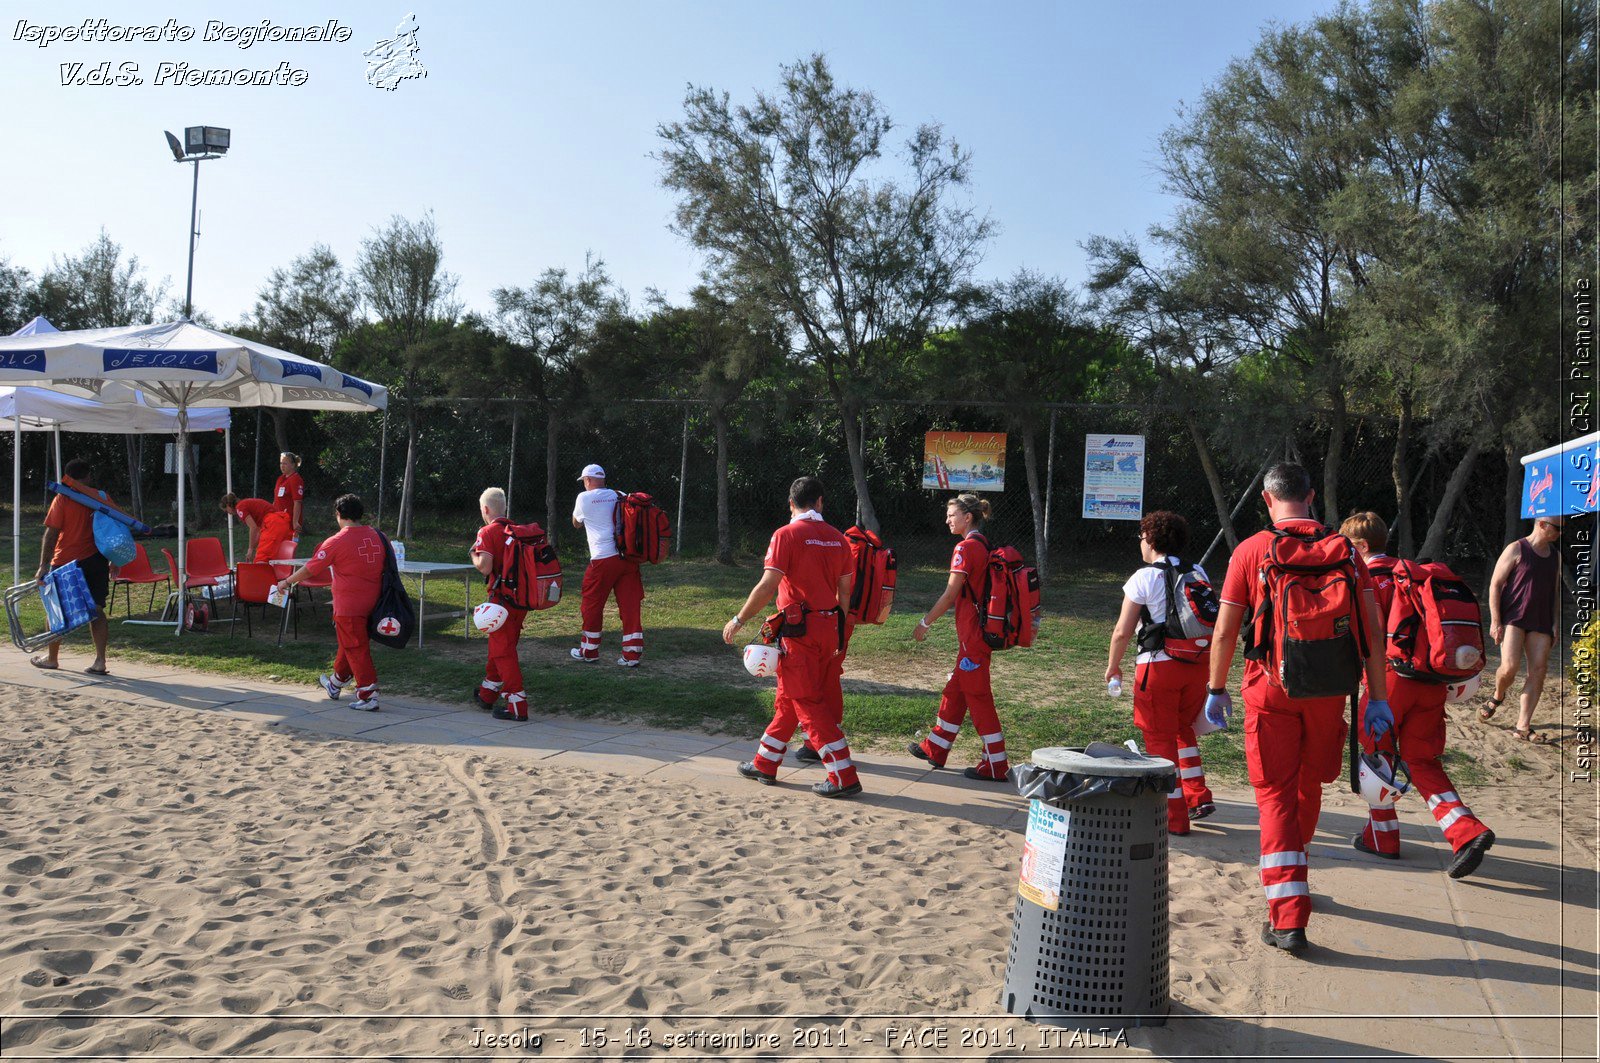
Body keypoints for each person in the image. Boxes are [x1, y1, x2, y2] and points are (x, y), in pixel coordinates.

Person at [1206, 463, 1391, 954]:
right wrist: (1380, 697)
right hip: (1331, 690)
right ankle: (1297, 870)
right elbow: (1373, 631)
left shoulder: (1250, 550)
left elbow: (1225, 631)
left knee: (1274, 794)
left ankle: (1287, 915)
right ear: (1311, 496)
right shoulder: (1348, 551)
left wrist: (1215, 688)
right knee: (1308, 784)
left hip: (1270, 689)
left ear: (1267, 500)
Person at [1340, 512, 1495, 877]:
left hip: (1389, 681)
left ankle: (1383, 837)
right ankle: (1466, 831)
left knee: (1377, 757)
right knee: (1422, 761)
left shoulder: (1368, 578)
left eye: (1350, 548)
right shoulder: (1413, 574)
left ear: (1361, 547)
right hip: (1430, 681)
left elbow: (1373, 634)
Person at [723, 475, 861, 799]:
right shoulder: (839, 539)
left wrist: (739, 619)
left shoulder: (786, 535)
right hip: (830, 628)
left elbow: (768, 585)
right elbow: (845, 592)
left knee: (806, 702)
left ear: (790, 503)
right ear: (820, 502)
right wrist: (839, 633)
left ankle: (843, 775)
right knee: (788, 700)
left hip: (799, 632)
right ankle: (765, 763)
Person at [1105, 510, 1216, 835]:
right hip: (1197, 664)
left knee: (1159, 740)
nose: (1141, 542)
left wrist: (1114, 665)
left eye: (1142, 537)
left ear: (1151, 539)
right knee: (1184, 730)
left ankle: (1174, 817)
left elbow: (1122, 632)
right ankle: (1198, 797)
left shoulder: (1143, 577)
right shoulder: (1197, 571)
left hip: (1159, 667)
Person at [908, 493, 1011, 782]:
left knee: (979, 699)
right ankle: (936, 748)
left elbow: (951, 593)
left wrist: (925, 622)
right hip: (974, 636)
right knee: (955, 691)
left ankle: (995, 764)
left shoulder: (965, 548)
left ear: (968, 517)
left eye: (952, 514)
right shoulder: (983, 544)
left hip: (973, 637)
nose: (947, 519)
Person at [275, 494, 385, 712]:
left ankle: (368, 694)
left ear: (338, 515)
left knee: (356, 646)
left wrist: (287, 581)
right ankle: (335, 683)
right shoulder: (378, 536)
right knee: (350, 643)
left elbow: (311, 568)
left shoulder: (337, 541)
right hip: (374, 601)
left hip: (349, 604)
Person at [31, 459, 115, 676]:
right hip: (96, 560)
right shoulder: (100, 497)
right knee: (96, 610)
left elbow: (51, 533)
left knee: (56, 610)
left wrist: (43, 565)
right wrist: (115, 559)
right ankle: (100, 661)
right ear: (87, 477)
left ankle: (52, 659)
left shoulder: (63, 498)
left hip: (65, 562)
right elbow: (115, 529)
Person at [1484, 515, 1563, 742]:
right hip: (1513, 618)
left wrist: (1555, 622)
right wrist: (1495, 620)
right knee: (1509, 667)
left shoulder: (1556, 556)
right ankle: (1498, 695)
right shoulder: (1516, 548)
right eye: (1556, 528)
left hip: (1541, 621)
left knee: (1538, 671)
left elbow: (1555, 591)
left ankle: (1522, 726)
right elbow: (1496, 584)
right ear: (1541, 524)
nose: (1560, 533)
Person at [570, 463, 645, 667]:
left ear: (587, 480)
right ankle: (631, 655)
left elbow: (576, 523)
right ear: (602, 479)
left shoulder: (583, 498)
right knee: (630, 606)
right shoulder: (619, 494)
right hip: (627, 559)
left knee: (592, 604)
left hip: (602, 559)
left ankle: (589, 650)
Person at [470, 487, 529, 722]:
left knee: (503, 652)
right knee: (500, 646)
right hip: (520, 601)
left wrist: (474, 554)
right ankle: (487, 694)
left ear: (485, 509)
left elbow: (484, 566)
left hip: (501, 601)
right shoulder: (517, 531)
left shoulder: (487, 531)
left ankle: (517, 704)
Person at [220, 493, 295, 563]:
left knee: (262, 558)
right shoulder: (247, 503)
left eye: (227, 511)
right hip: (282, 521)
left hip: (272, 523)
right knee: (278, 556)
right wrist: (253, 547)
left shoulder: (239, 507)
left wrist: (250, 549)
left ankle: (261, 576)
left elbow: (253, 528)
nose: (228, 513)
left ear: (228, 505)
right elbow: (259, 532)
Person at [273, 452, 307, 543]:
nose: (282, 466)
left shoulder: (295, 479)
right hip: (279, 521)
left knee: (288, 548)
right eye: (281, 463)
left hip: (289, 522)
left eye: (285, 463)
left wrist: (295, 522)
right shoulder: (281, 478)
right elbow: (276, 500)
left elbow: (297, 502)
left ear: (293, 465)